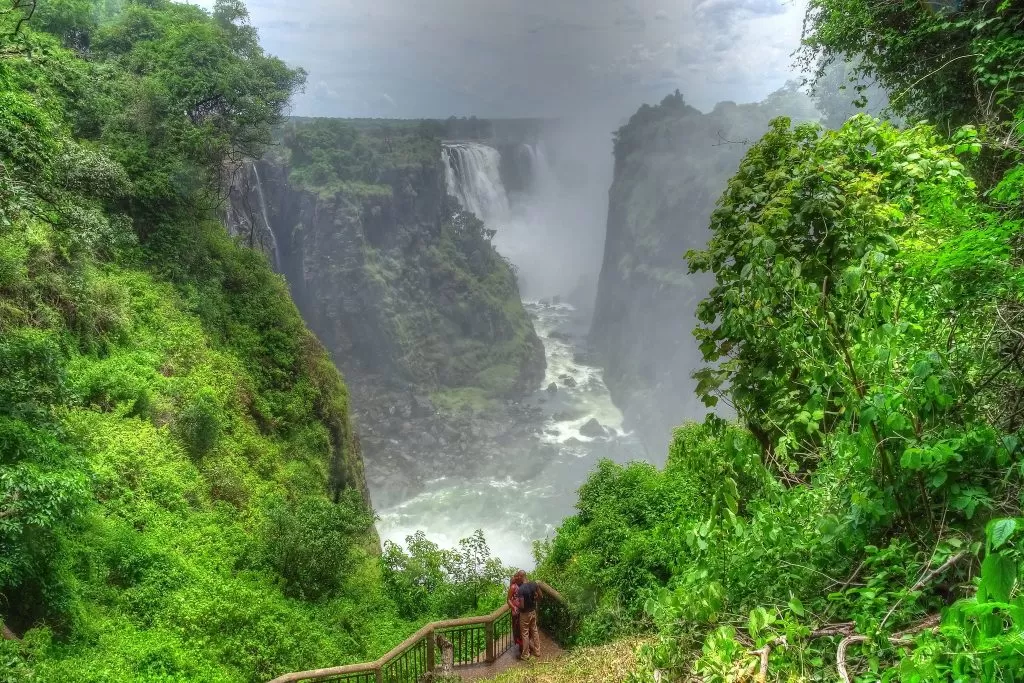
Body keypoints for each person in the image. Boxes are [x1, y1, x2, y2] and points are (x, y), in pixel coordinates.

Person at [516, 576, 542, 660]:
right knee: (535, 631)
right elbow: (541, 596)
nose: (518, 579)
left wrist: (516, 604)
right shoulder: (534, 584)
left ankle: (525, 654)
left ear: (521, 577)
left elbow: (522, 605)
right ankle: (537, 651)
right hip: (533, 611)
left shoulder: (521, 589)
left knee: (525, 634)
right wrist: (534, 600)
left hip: (524, 614)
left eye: (518, 577)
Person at [507, 570, 525, 656]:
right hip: (516, 612)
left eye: (519, 576)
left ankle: (524, 647)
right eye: (516, 576)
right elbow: (508, 600)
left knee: (523, 630)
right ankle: (521, 647)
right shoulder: (513, 587)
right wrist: (513, 607)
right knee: (518, 630)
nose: (518, 578)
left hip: (524, 611)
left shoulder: (523, 585)